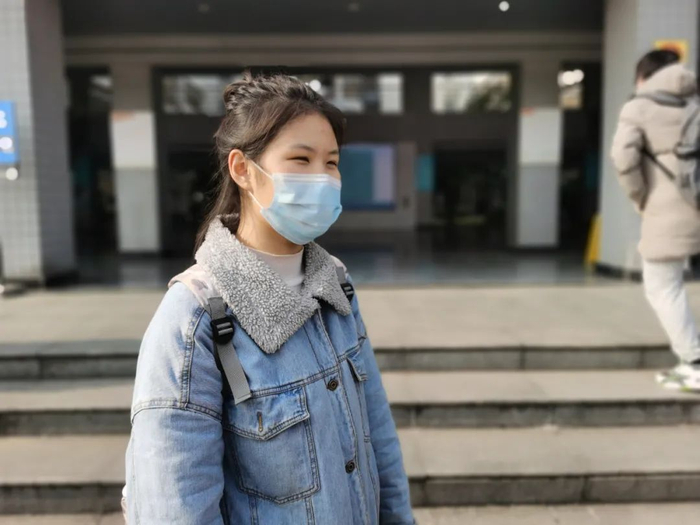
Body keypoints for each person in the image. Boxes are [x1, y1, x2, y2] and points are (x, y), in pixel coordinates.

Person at [123, 72, 415, 524]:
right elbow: (176, 505)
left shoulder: (336, 286)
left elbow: (378, 438)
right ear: (242, 169)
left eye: (332, 162)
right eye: (301, 159)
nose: (323, 178)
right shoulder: (194, 318)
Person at [611, 50, 700, 391]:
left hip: (668, 211)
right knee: (668, 283)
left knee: (662, 285)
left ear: (643, 76)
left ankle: (694, 362)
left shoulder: (639, 106)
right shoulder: (694, 103)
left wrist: (639, 197)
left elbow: (622, 158)